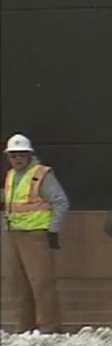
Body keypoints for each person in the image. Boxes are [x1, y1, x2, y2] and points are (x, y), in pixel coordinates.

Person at [1, 133, 70, 333]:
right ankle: (25, 328)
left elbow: (60, 202)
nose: (17, 159)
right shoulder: (11, 174)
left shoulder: (41, 174)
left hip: (35, 235)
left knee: (41, 283)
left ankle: (50, 328)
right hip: (12, 233)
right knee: (16, 283)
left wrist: (53, 230)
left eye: (21, 154)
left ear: (30, 154)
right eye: (13, 155)